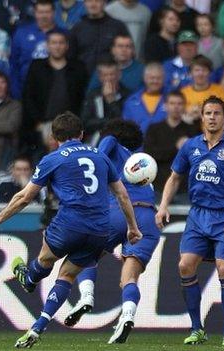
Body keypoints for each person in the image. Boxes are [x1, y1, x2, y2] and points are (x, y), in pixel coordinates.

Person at [0, 112, 141, 348]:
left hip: (70, 224)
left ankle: (30, 277)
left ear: (54, 137)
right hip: (99, 230)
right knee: (67, 276)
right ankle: (37, 327)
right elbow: (122, 195)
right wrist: (132, 228)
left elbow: (24, 197)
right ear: (82, 134)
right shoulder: (100, 157)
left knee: (44, 260)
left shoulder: (53, 158)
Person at [155, 96, 224, 346]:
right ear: (202, 117)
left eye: (217, 113)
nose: (212, 117)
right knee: (185, 266)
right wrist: (163, 206)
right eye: (208, 113)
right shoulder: (191, 146)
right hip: (198, 216)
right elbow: (175, 177)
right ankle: (197, 328)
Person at [64, 120, 160, 344]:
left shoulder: (111, 142)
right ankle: (127, 316)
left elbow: (96, 157)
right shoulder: (139, 162)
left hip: (119, 213)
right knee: (129, 278)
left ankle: (86, 296)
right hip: (149, 218)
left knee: (84, 255)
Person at [21, 30, 87, 157]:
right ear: (47, 45)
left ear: (67, 45)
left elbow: (82, 98)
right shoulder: (37, 66)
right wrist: (38, 123)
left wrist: (76, 123)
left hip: (70, 125)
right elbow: (28, 96)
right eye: (54, 42)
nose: (57, 46)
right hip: (43, 124)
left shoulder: (78, 68)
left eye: (61, 43)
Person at [144, 91, 201, 193]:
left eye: (179, 104)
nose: (176, 107)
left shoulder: (192, 130)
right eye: (172, 103)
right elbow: (149, 155)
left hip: (184, 188)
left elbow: (199, 156)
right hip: (159, 186)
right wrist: (176, 147)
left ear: (184, 106)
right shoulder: (154, 129)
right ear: (165, 106)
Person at [9, 0, 58, 98]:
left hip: (54, 91)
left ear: (54, 13)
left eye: (47, 12)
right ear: (35, 13)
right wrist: (16, 93)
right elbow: (13, 65)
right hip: (26, 91)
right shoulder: (21, 33)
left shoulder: (63, 34)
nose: (44, 16)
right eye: (40, 12)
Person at [69, 0, 129, 74]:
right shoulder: (77, 29)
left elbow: (129, 52)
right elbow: (70, 58)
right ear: (84, 3)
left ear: (104, 2)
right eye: (89, 1)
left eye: (97, 1)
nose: (93, 4)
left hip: (111, 78)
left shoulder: (118, 26)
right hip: (84, 79)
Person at [80, 58, 132, 144]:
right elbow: (85, 122)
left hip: (120, 141)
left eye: (112, 74)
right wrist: (108, 122)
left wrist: (111, 101)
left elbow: (124, 123)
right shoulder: (93, 95)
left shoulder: (128, 95)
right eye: (105, 75)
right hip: (95, 142)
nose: (109, 78)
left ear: (119, 74)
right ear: (100, 77)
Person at [122, 62, 167, 135]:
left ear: (164, 79)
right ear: (145, 78)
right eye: (152, 78)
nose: (155, 81)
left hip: (164, 144)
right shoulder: (131, 101)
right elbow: (125, 129)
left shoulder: (171, 100)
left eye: (158, 78)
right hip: (138, 145)